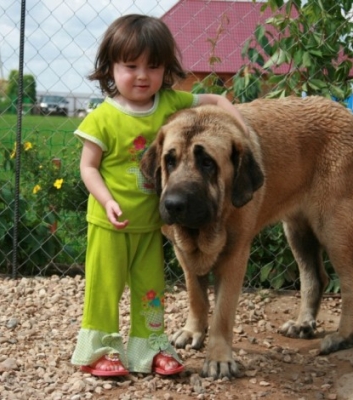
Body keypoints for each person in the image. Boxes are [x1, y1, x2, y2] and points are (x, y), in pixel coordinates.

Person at [71, 14, 247, 377]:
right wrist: (106, 199)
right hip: (110, 223)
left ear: (166, 69)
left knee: (151, 291)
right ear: (110, 68)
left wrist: (239, 125)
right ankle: (98, 351)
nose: (141, 76)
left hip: (152, 224)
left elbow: (213, 96)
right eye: (130, 66)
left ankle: (148, 348)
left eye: (153, 66)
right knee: (105, 289)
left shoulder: (167, 103)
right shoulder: (102, 118)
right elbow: (88, 168)